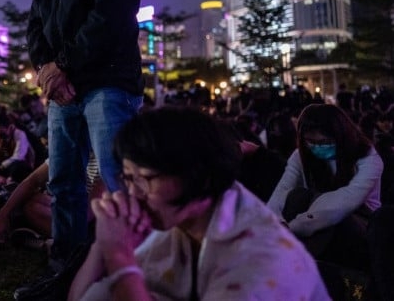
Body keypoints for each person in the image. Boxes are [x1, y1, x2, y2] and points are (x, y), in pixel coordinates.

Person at [19, 0, 144, 279]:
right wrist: (46, 71)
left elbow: (111, 16)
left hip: (108, 81)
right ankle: (66, 267)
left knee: (117, 177)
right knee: (63, 181)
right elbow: (35, 26)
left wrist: (62, 68)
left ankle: (133, 266)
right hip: (63, 90)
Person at [69, 107, 329, 301]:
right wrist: (103, 244)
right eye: (127, 178)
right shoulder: (181, 224)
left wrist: (118, 256)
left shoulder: (260, 264)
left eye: (144, 179)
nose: (133, 193)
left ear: (198, 176)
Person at [267, 103, 383, 269]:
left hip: (357, 221)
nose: (317, 147)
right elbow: (282, 191)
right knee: (297, 196)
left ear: (340, 135)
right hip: (309, 222)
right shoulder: (301, 156)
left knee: (333, 217)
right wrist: (274, 223)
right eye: (310, 142)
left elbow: (343, 202)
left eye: (324, 142)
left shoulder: (368, 158)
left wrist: (291, 228)